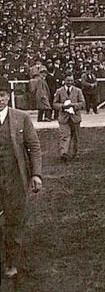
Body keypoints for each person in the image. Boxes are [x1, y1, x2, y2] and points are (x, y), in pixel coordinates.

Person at [0, 79, 42, 279]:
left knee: (14, 222)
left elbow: (33, 147)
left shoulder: (21, 118)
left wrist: (36, 174)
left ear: (8, 96)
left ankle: (11, 262)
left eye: (2, 95)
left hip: (15, 178)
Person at [52, 72, 86, 162]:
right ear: (64, 81)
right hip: (64, 117)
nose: (69, 82)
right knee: (64, 135)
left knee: (76, 136)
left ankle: (76, 153)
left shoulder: (78, 91)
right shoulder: (59, 91)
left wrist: (73, 105)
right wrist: (63, 106)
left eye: (71, 80)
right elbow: (54, 104)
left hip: (75, 117)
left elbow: (83, 103)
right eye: (68, 80)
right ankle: (64, 153)